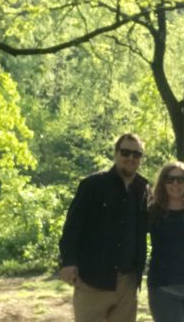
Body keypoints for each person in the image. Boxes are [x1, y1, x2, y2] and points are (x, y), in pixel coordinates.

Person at [58, 133, 151, 322]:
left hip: (128, 281)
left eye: (136, 154)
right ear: (116, 154)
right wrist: (68, 261)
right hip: (93, 279)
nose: (131, 158)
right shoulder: (93, 185)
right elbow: (73, 226)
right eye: (125, 152)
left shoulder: (144, 189)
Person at [147, 162, 184, 322]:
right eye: (170, 180)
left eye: (180, 179)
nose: (175, 184)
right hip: (163, 285)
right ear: (162, 183)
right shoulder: (151, 212)